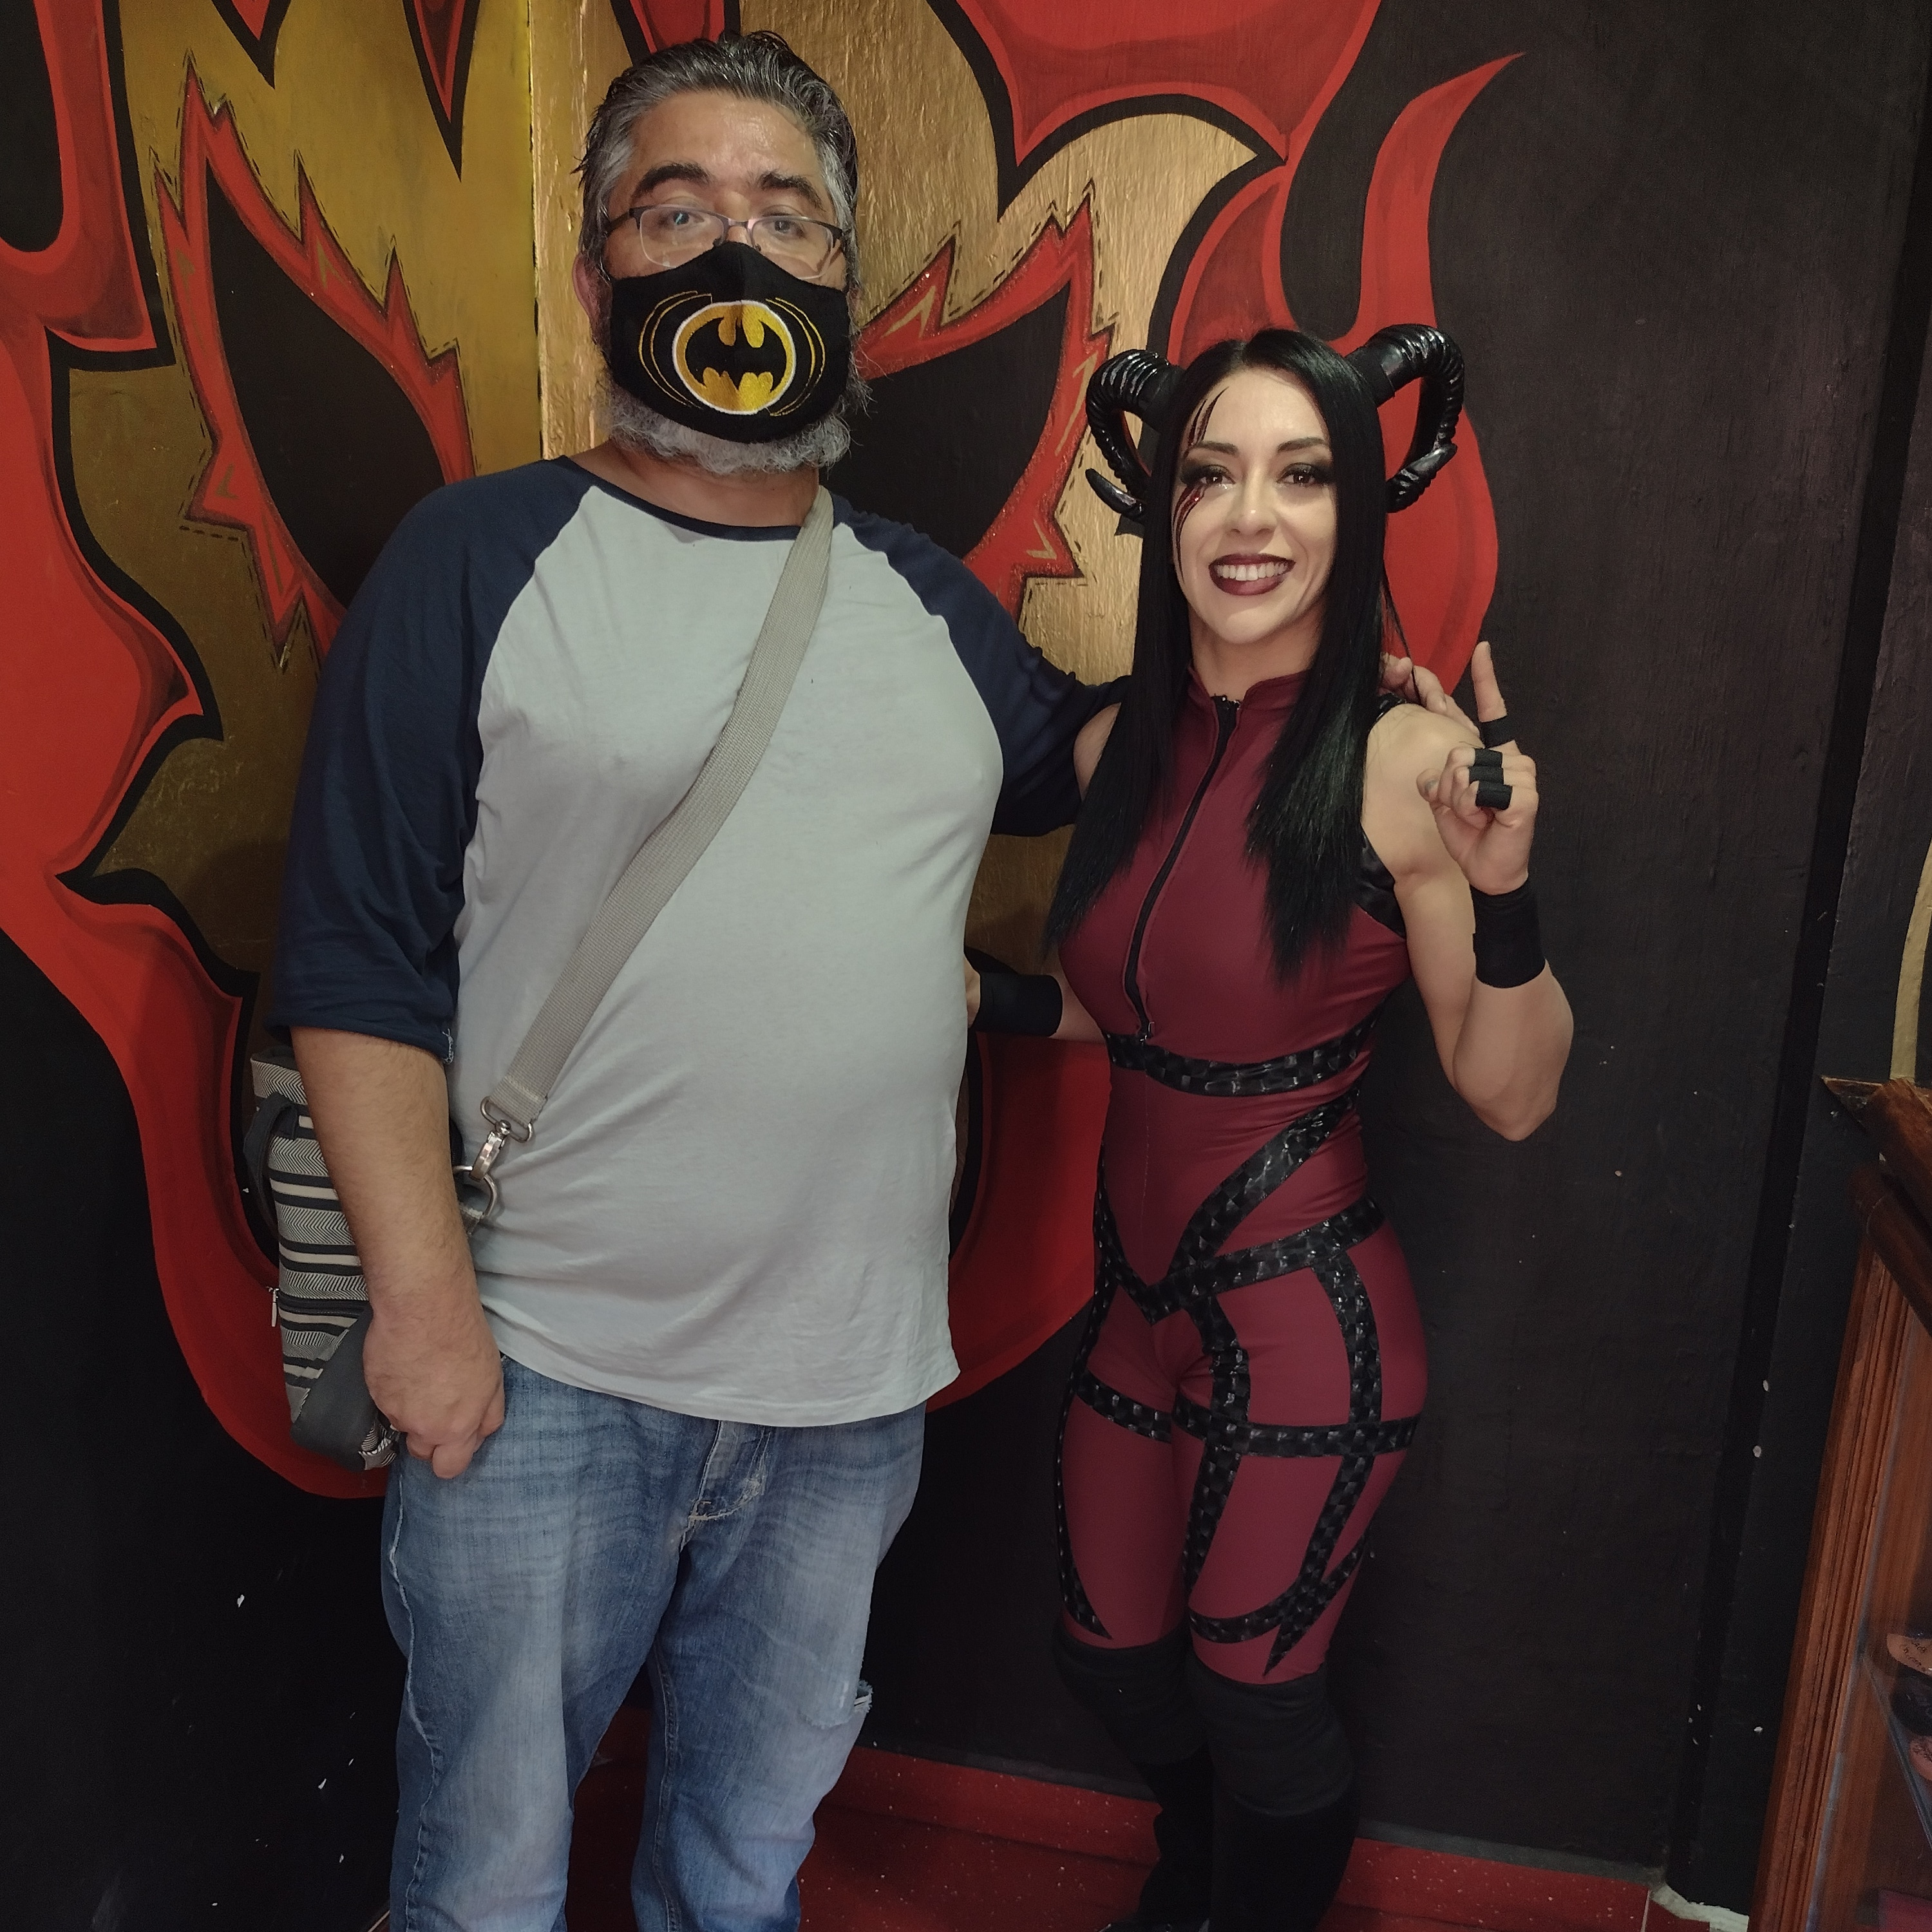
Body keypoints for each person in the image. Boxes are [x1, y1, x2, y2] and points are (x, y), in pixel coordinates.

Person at [269, 32, 1117, 1932]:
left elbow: (1113, 776)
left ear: (839, 280)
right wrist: (422, 1312)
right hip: (543, 1376)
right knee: (484, 1886)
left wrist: (1319, 688)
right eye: (677, 210)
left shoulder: (923, 598)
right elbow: (354, 957)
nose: (737, 248)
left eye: (786, 214)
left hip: (847, 1396)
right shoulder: (478, 556)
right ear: (599, 280)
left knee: (743, 1880)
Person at [1009, 330, 1574, 1932]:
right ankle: (1201, 1883)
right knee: (1109, 1659)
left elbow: (1514, 1091)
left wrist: (1509, 890)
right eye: (1212, 472)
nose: (1251, 515)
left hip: (1307, 1314)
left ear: (1358, 509)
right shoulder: (1117, 748)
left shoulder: (1408, 762)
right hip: (1135, 1312)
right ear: (1165, 505)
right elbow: (1148, 1017)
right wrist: (978, 1001)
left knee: (1258, 1695)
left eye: (1303, 473)